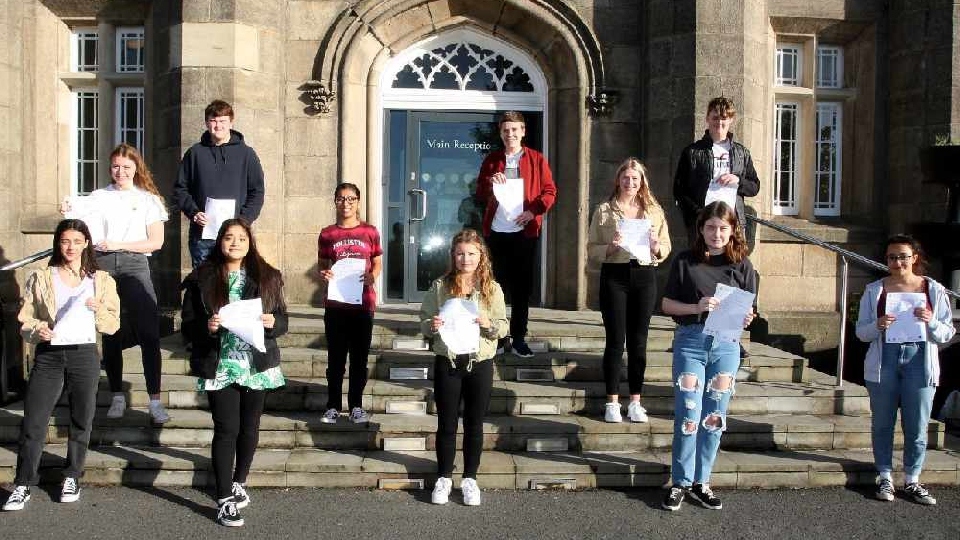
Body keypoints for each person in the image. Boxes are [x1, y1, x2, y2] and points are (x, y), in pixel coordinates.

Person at [2, 220, 120, 511]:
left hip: (84, 354)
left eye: (77, 241)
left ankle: (72, 476)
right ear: (58, 243)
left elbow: (113, 325)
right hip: (49, 355)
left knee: (81, 419)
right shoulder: (41, 276)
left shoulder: (101, 280)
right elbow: (24, 320)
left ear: (86, 244)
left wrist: (99, 309)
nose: (70, 247)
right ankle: (23, 483)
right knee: (34, 421)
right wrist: (37, 330)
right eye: (65, 241)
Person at [180, 218, 287, 527]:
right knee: (226, 428)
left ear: (250, 242)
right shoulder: (202, 278)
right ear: (220, 241)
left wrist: (272, 323)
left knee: (250, 427)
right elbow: (187, 326)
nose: (235, 243)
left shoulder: (268, 277)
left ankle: (239, 480)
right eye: (229, 237)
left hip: (256, 364)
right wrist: (207, 327)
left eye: (241, 237)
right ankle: (224, 498)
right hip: (220, 364)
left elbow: (283, 321)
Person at [60, 143, 170, 423]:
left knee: (148, 331)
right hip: (104, 263)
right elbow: (79, 225)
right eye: (116, 167)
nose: (121, 172)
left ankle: (155, 400)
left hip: (134, 263)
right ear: (110, 168)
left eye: (127, 167)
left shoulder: (148, 199)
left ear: (136, 168)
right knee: (111, 330)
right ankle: (117, 396)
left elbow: (156, 241)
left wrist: (120, 243)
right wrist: (67, 209)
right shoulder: (97, 197)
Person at [659, 201, 757, 512]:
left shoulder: (743, 266)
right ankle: (680, 481)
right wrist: (696, 308)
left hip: (726, 346)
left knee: (713, 418)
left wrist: (748, 317)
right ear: (701, 229)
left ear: (732, 232)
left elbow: (751, 310)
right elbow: (666, 305)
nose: (716, 233)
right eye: (711, 227)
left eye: (723, 228)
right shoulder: (685, 261)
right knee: (689, 415)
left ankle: (702, 482)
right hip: (691, 342)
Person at [855, 235, 956, 505]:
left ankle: (912, 479)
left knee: (917, 424)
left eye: (902, 256)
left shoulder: (933, 289)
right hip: (884, 359)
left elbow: (947, 333)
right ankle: (885, 475)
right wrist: (877, 324)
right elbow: (861, 333)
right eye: (891, 257)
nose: (897, 262)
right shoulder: (875, 290)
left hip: (920, 360)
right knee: (883, 423)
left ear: (914, 258)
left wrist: (931, 321)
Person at [420, 229, 508, 506]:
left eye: (471, 253)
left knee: (474, 423)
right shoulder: (439, 286)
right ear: (453, 256)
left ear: (481, 256)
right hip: (448, 361)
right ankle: (444, 477)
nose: (465, 258)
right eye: (460, 253)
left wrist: (487, 323)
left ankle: (470, 478)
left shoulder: (492, 289)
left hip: (479, 362)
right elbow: (423, 322)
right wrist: (430, 326)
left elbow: (503, 327)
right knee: (446, 423)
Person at [587, 158, 671, 423]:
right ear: (618, 180)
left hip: (644, 275)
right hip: (615, 275)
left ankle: (635, 400)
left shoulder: (654, 210)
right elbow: (591, 250)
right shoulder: (603, 210)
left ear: (642, 181)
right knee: (615, 341)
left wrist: (656, 246)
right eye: (626, 178)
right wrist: (609, 247)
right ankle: (612, 402)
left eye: (635, 178)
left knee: (639, 342)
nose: (630, 183)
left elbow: (665, 247)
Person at [475, 111, 556, 358]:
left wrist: (533, 212)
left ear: (523, 131)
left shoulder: (536, 159)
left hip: (524, 232)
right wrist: (491, 182)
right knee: (495, 287)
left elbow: (550, 192)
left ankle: (519, 337)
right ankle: (498, 337)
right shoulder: (492, 159)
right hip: (497, 232)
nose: (510, 134)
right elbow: (479, 192)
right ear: (500, 133)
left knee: (521, 288)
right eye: (505, 130)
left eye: (514, 129)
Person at [317, 183, 382, 424]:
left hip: (363, 305)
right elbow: (321, 264)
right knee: (335, 358)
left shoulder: (370, 231)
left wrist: (372, 276)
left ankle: (356, 405)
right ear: (335, 201)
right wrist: (324, 274)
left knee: (359, 359)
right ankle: (332, 406)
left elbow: (377, 262)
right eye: (342, 199)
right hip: (336, 304)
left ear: (358, 202)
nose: (346, 203)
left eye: (351, 199)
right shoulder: (327, 233)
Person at [173, 99, 266, 268]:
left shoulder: (247, 154)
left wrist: (243, 220)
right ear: (207, 123)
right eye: (213, 121)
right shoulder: (194, 153)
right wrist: (194, 213)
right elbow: (180, 189)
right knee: (205, 286)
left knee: (234, 285)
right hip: (203, 235)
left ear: (231, 122)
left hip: (236, 236)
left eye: (223, 121)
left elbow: (257, 191)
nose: (218, 125)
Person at [673, 96, 760, 248]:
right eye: (715, 117)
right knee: (700, 267)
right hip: (702, 223)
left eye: (724, 118)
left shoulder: (742, 153)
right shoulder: (692, 152)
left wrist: (738, 180)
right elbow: (679, 191)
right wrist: (698, 214)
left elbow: (754, 187)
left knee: (732, 266)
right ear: (707, 118)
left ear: (731, 120)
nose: (719, 122)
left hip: (732, 221)